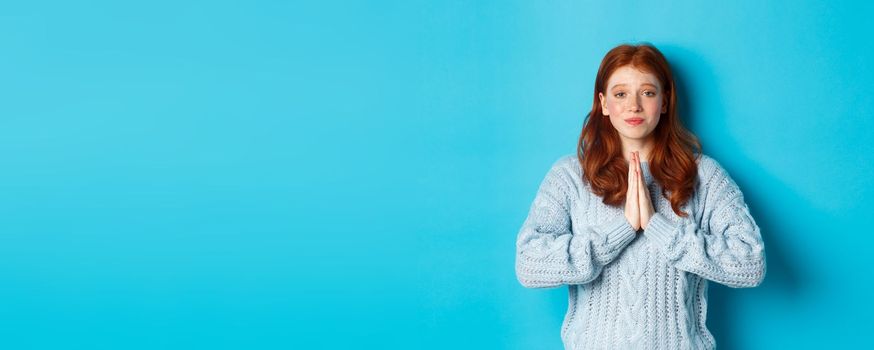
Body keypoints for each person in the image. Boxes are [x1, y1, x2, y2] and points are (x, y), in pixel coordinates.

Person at [514, 43, 766, 350]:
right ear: (603, 103)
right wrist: (620, 230)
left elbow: (750, 263)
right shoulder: (569, 176)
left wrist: (657, 226)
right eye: (621, 94)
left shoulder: (703, 175)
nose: (634, 105)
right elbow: (529, 264)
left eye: (647, 92)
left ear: (664, 102)